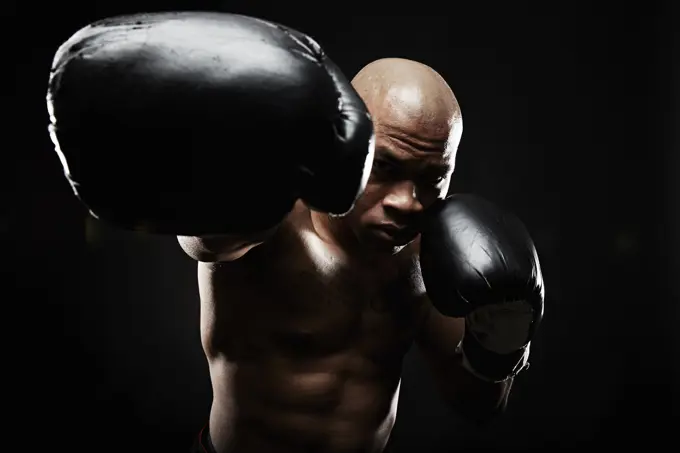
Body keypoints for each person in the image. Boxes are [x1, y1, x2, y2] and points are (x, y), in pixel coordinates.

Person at [47, 12, 545, 453]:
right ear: (354, 142)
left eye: (432, 178)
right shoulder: (274, 218)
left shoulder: (433, 254)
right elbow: (204, 240)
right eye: (386, 168)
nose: (406, 202)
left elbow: (478, 406)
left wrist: (500, 339)